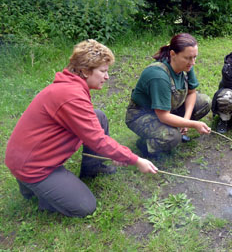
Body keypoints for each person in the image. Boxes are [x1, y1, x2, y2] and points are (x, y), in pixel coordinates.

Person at [5, 39, 158, 218]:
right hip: (35, 166)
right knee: (85, 206)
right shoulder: (71, 96)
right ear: (85, 71)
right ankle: (39, 191)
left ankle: (93, 168)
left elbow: (90, 128)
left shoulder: (72, 87)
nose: (107, 77)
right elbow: (97, 140)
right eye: (103, 71)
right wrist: (135, 160)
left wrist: (117, 153)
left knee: (98, 116)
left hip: (27, 155)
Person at [125, 33, 211, 159]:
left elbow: (192, 93)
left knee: (204, 102)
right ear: (172, 54)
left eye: (194, 57)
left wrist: (186, 121)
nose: (192, 62)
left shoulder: (186, 66)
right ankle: (145, 145)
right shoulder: (158, 75)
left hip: (168, 108)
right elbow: (163, 116)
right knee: (172, 137)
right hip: (142, 115)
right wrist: (194, 124)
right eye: (188, 58)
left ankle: (175, 128)